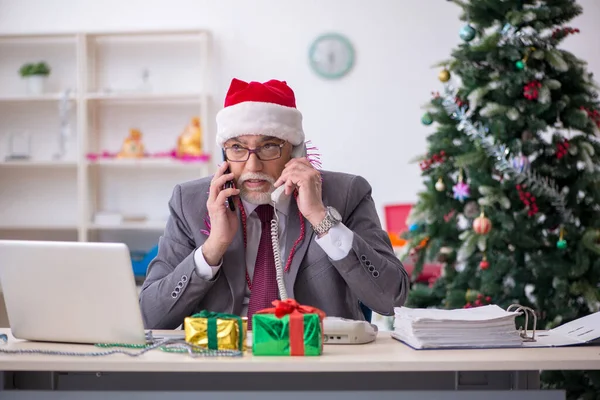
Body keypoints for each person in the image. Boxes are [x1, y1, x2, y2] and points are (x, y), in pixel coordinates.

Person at [139, 78, 409, 329]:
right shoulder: (191, 202)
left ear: (295, 151)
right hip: (224, 362)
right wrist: (212, 248)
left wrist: (321, 218)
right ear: (225, 154)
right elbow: (151, 317)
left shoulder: (346, 194)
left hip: (318, 363)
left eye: (268, 146)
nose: (252, 165)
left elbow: (391, 299)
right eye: (237, 147)